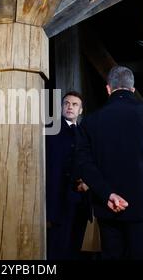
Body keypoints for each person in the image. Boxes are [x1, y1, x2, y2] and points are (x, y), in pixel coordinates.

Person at [73, 66, 143, 260]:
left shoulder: (90, 121)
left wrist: (107, 193)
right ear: (132, 89)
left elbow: (83, 164)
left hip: (108, 209)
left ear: (108, 88)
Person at [46, 91, 91, 260]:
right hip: (59, 200)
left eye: (74, 104)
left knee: (75, 248)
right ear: (61, 107)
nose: (70, 107)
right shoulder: (50, 132)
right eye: (66, 103)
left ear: (80, 111)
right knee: (58, 248)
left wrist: (88, 182)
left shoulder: (84, 134)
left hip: (81, 200)